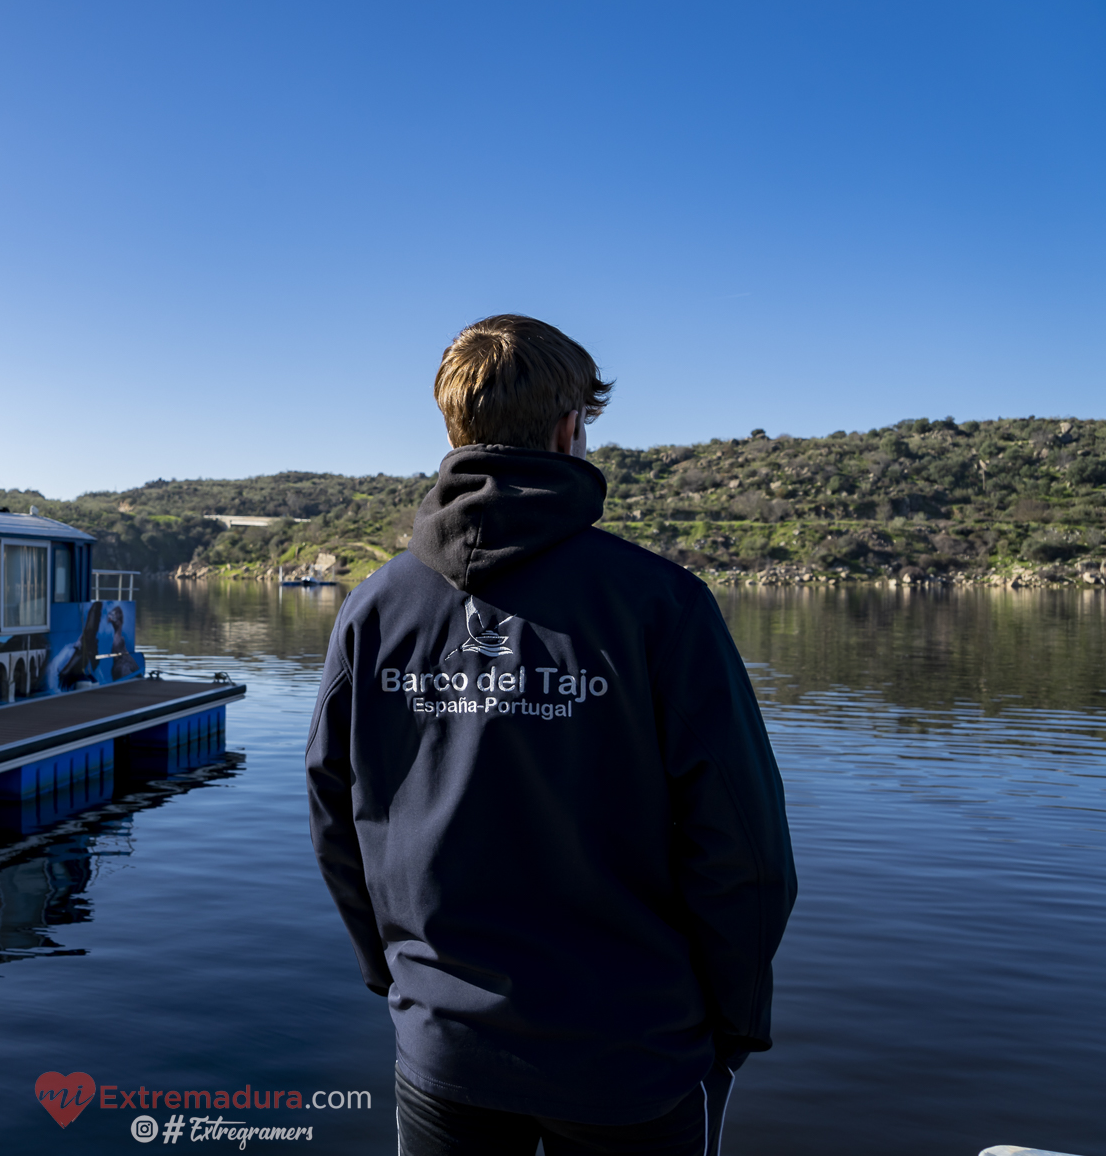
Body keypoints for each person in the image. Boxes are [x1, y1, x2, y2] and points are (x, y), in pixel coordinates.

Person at [304, 314, 796, 1156]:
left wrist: (401, 981)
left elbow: (335, 816)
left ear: (453, 427)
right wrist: (734, 1021)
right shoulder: (659, 604)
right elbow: (743, 851)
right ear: (571, 428)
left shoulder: (374, 609)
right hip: (631, 1056)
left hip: (442, 1050)